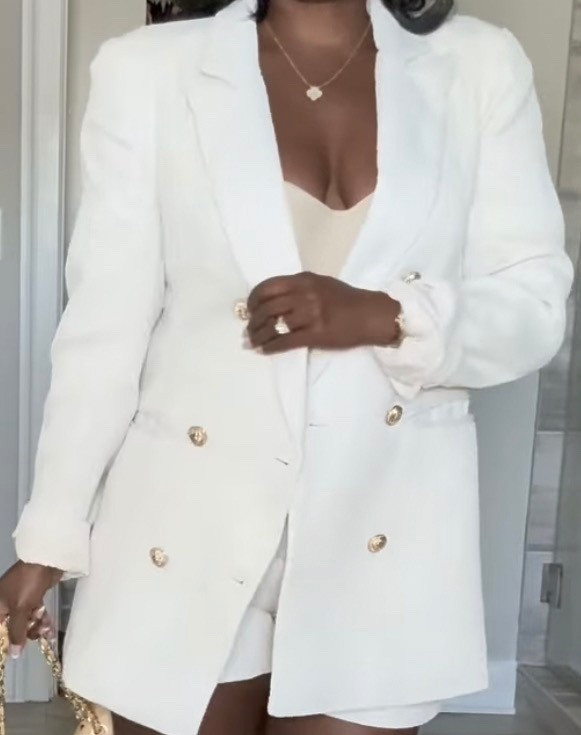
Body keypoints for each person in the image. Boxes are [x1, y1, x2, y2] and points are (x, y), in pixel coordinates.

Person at [0, 0, 573, 733]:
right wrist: (48, 537)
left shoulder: (480, 66)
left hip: (384, 531)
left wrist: (386, 315)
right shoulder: (149, 70)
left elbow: (533, 305)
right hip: (183, 524)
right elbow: (103, 332)